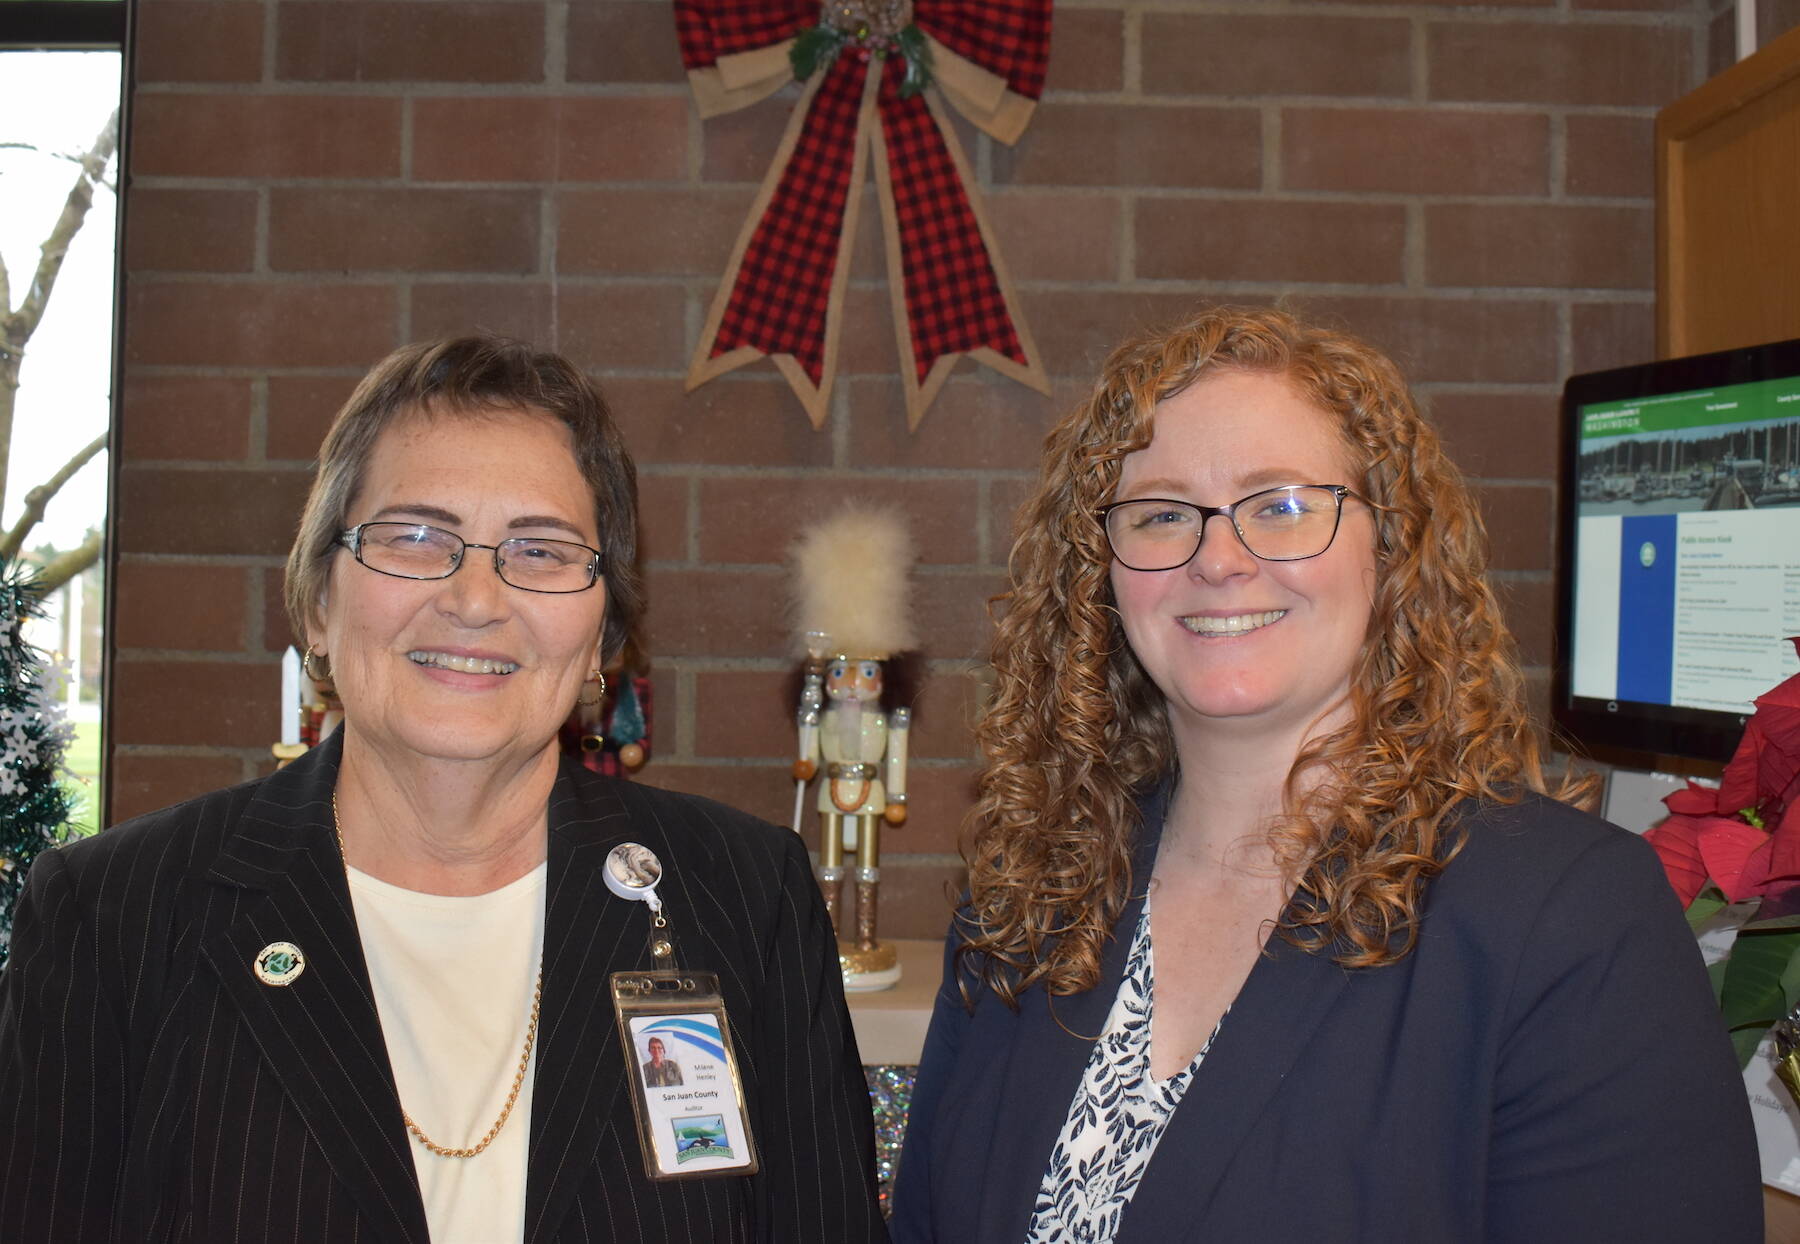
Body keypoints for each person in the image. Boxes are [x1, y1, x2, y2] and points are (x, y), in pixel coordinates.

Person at [890, 307, 1761, 1242]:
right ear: (1098, 573)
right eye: (1160, 514)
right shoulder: (1030, 898)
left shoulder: (1570, 923)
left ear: (1391, 549)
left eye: (1283, 506)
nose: (1217, 559)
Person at [0, 336, 887, 1243]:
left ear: (600, 639)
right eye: (416, 537)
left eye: (541, 551)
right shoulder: (113, 917)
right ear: (317, 598)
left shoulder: (745, 896)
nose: (474, 599)